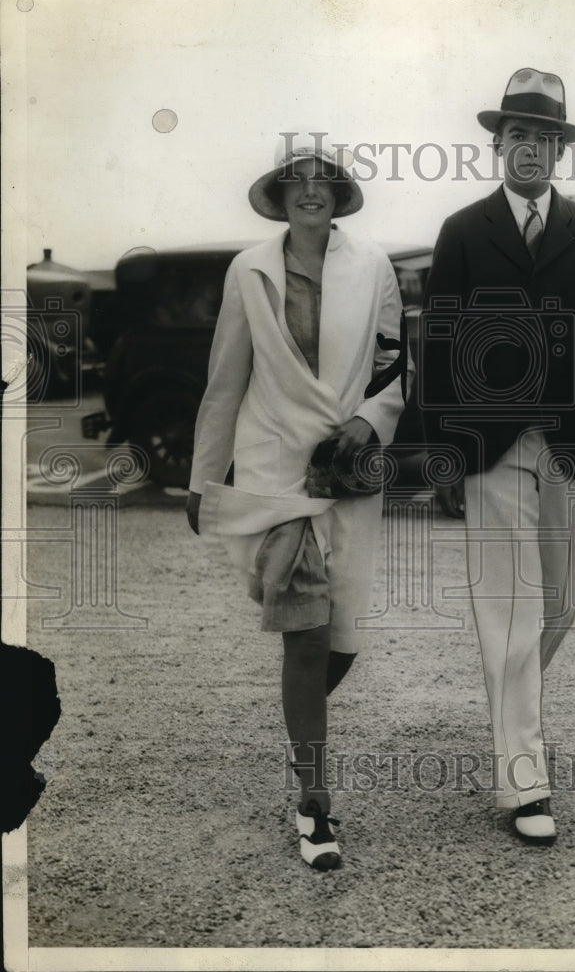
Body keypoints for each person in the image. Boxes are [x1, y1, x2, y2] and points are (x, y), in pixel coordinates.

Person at [420, 68, 575, 844]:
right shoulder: (462, 231)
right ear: (498, 145)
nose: (530, 149)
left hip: (573, 440)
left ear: (559, 151)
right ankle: (524, 783)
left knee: (558, 607)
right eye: (517, 134)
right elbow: (439, 344)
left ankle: (504, 718)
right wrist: (442, 454)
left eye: (544, 137)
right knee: (509, 612)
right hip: (489, 448)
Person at [186, 132, 412, 870]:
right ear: (280, 196)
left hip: (344, 469)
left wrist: (368, 421)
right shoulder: (248, 269)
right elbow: (226, 377)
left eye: (323, 179)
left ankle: (299, 735)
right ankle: (315, 805)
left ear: (339, 193)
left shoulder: (374, 265)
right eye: (295, 180)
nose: (309, 190)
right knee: (305, 631)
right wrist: (203, 477)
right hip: (272, 468)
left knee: (340, 637)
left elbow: (392, 369)